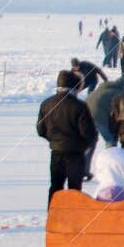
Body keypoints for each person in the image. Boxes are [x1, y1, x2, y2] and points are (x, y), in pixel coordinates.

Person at [36, 69, 100, 205]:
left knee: (55, 186)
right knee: (74, 189)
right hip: (76, 154)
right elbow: (88, 133)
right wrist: (84, 144)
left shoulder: (46, 104)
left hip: (56, 152)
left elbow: (40, 130)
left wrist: (54, 139)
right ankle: (73, 219)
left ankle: (53, 217)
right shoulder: (80, 106)